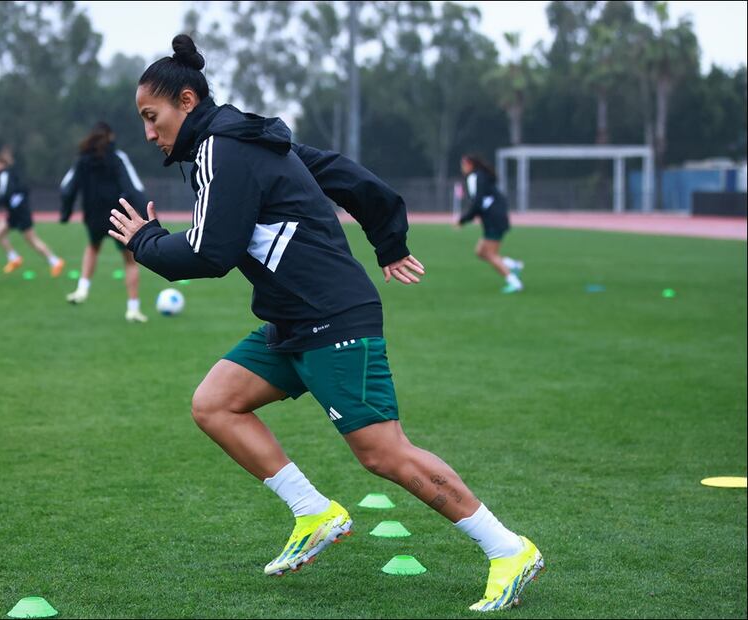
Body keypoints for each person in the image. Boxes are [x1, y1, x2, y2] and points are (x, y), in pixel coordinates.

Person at [108, 35, 545, 612]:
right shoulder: (243, 142)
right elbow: (339, 172)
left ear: (186, 101)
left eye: (151, 116)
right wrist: (388, 240)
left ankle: (508, 548)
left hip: (332, 316)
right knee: (215, 403)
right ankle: (314, 512)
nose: (147, 132)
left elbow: (211, 255)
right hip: (291, 319)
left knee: (382, 454)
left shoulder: (223, 148)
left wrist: (146, 241)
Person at [59, 122, 149, 323]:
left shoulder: (82, 159)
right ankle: (133, 309)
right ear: (111, 135)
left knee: (92, 247)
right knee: (130, 261)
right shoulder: (117, 157)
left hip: (92, 216)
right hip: (117, 216)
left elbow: (67, 188)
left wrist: (65, 213)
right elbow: (134, 187)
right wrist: (146, 217)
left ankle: (82, 289)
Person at [0, 146, 65, 277]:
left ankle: (55, 261)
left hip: (21, 214)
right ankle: (14, 258)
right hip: (14, 214)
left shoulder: (6, 174)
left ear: (1, 163)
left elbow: (6, 195)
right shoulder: (8, 174)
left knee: (32, 240)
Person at [457, 154, 524, 293]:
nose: (462, 168)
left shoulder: (475, 177)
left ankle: (514, 282)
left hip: (494, 219)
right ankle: (514, 265)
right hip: (494, 218)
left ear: (470, 165)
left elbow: (477, 202)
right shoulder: (481, 176)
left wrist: (464, 219)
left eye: (464, 165)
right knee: (480, 252)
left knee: (490, 254)